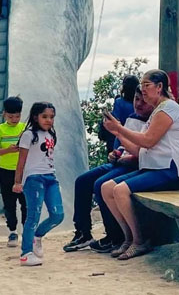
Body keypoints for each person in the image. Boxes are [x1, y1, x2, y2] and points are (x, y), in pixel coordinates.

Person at [100, 69, 179, 260]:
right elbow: (140, 150)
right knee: (107, 188)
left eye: (147, 86)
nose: (143, 90)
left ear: (159, 87)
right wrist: (116, 133)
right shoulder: (156, 112)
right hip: (153, 168)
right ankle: (129, 238)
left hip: (169, 170)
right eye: (142, 86)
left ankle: (140, 241)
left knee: (120, 190)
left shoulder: (168, 108)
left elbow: (148, 141)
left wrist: (119, 128)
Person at [63, 86, 154, 253]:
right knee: (82, 181)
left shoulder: (152, 123)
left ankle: (114, 236)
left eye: (144, 100)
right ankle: (83, 232)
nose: (139, 104)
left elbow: (144, 152)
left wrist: (128, 156)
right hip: (119, 162)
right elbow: (121, 146)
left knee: (100, 184)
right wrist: (115, 153)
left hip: (134, 165)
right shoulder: (132, 118)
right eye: (136, 99)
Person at [13, 102, 65, 267]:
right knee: (33, 215)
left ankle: (37, 236)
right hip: (34, 178)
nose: (49, 120)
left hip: (50, 177)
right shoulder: (29, 135)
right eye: (45, 116)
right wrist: (17, 181)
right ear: (36, 117)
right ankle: (26, 253)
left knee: (58, 214)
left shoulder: (50, 135)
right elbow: (21, 161)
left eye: (51, 117)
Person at [0, 96, 27, 247]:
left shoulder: (24, 128)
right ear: (4, 114)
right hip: (6, 171)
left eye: (17, 116)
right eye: (11, 116)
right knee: (9, 204)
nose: (14, 119)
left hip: (23, 171)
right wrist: (7, 150)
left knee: (26, 203)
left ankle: (27, 231)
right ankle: (12, 231)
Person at [97, 75, 138, 154]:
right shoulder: (140, 105)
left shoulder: (119, 102)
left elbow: (115, 119)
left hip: (117, 140)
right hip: (133, 140)